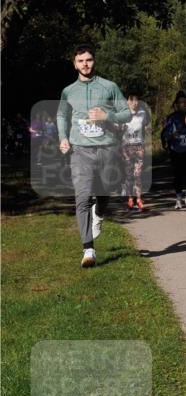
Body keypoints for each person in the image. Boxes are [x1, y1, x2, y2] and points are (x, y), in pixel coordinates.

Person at [56, 43, 131, 267]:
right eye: (80, 61)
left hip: (107, 147)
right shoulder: (68, 91)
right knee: (82, 197)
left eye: (88, 60)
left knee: (106, 189)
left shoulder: (109, 86)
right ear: (74, 64)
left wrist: (106, 115)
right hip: (80, 150)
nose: (85, 64)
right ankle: (88, 250)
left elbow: (126, 113)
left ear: (94, 61)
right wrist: (62, 137)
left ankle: (100, 212)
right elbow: (61, 115)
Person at [161, 91, 186, 210]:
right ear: (176, 104)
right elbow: (165, 134)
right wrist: (172, 135)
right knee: (178, 175)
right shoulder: (171, 118)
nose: (183, 104)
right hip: (176, 150)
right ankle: (178, 199)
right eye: (180, 102)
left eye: (185, 102)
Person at [121, 92, 151, 210]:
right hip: (126, 148)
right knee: (129, 174)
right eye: (132, 100)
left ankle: (138, 199)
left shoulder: (142, 113)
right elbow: (116, 127)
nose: (135, 103)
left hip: (139, 147)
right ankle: (130, 198)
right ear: (127, 101)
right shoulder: (122, 115)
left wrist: (146, 130)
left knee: (137, 174)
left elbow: (146, 125)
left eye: (136, 100)